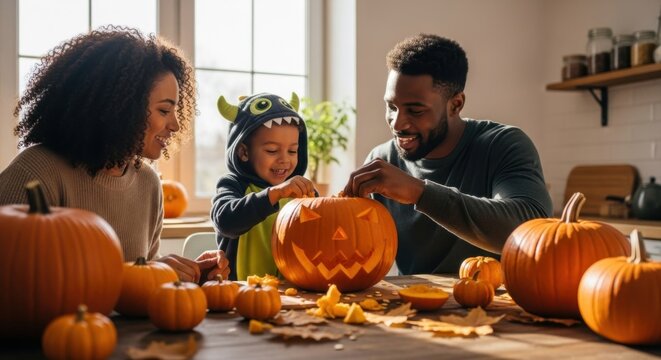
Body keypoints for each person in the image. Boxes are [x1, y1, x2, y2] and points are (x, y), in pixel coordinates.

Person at [0, 26, 229, 283]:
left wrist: (187, 276)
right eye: (164, 111)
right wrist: (144, 274)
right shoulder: (35, 174)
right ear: (119, 109)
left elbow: (140, 279)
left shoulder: (148, 183)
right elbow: (20, 287)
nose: (175, 125)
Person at [343, 34, 553, 275]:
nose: (397, 122)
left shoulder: (503, 144)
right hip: (414, 305)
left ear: (455, 105)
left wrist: (418, 192)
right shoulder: (381, 161)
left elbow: (532, 228)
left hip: (496, 303)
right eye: (391, 106)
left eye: (415, 110)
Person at [211, 92, 315, 281]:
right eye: (272, 150)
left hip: (293, 292)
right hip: (241, 293)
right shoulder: (233, 185)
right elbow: (225, 221)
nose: (284, 159)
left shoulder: (301, 191)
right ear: (243, 152)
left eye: (292, 150)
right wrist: (274, 194)